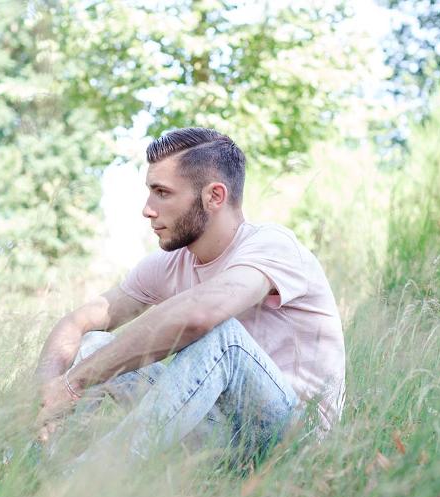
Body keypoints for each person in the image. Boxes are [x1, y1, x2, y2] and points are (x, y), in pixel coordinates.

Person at [34, 128, 345, 465]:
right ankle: (37, 463)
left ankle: (85, 478)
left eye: (162, 193)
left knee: (224, 338)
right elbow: (77, 322)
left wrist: (73, 383)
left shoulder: (273, 245)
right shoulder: (167, 264)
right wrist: (51, 392)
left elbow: (200, 316)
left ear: (214, 196)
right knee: (93, 344)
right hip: (219, 433)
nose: (147, 209)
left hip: (294, 441)